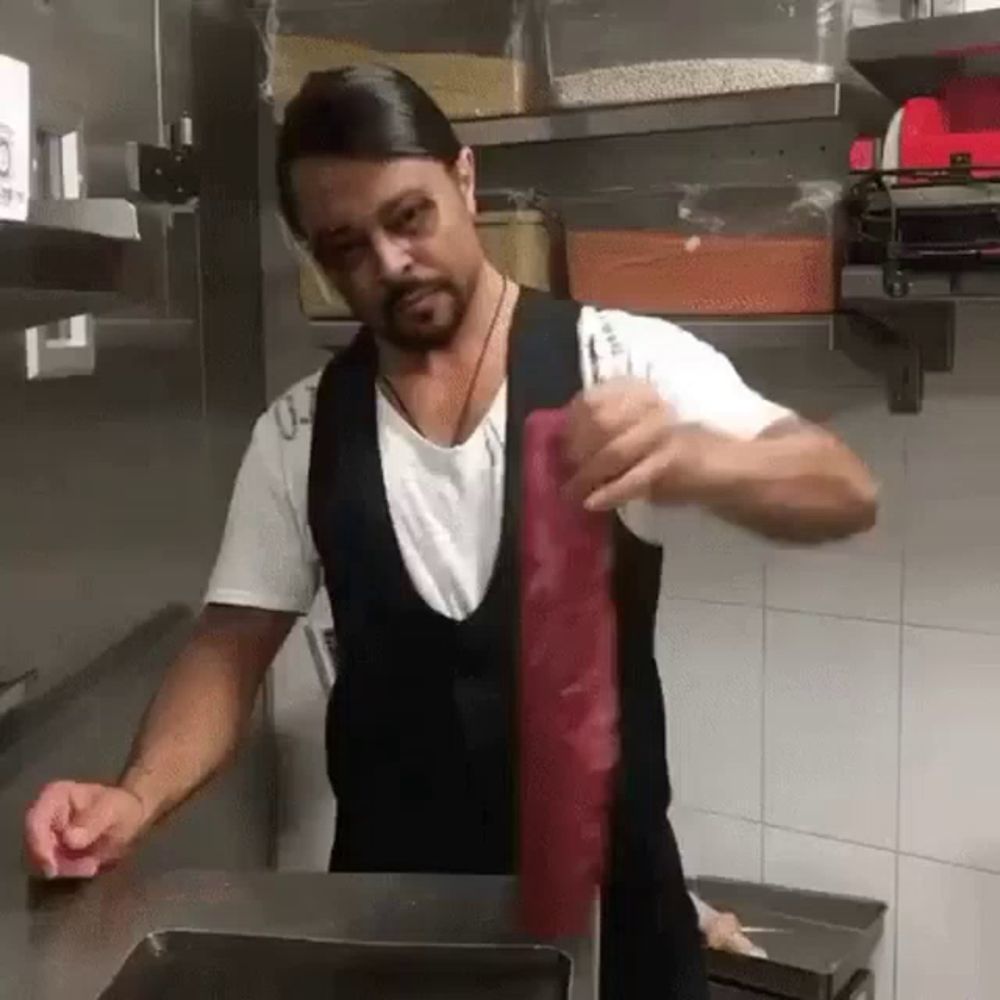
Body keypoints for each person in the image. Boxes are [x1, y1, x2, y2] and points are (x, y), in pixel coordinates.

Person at [24, 65, 877, 999]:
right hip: (397, 936)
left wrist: (700, 459)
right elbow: (230, 648)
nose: (388, 264)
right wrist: (135, 797)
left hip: (614, 929)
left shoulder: (612, 359)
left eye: (410, 217)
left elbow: (838, 486)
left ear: (465, 182)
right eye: (345, 244)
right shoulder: (302, 433)